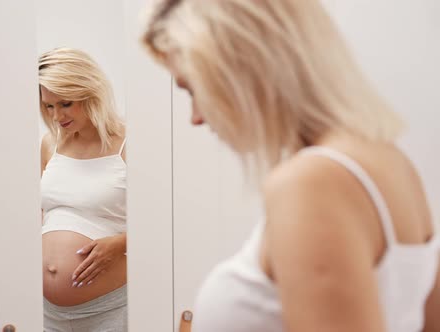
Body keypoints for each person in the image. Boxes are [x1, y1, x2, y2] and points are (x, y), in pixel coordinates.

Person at [142, 1, 440, 331]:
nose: (195, 117)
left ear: (244, 68)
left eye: (194, 90)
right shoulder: (391, 161)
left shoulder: (312, 181)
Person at [38, 47, 128, 332]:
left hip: (110, 309)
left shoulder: (129, 144)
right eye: (48, 106)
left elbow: (166, 223)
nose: (56, 116)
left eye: (65, 104)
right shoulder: (49, 144)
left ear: (90, 94)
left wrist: (119, 245)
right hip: (46, 313)